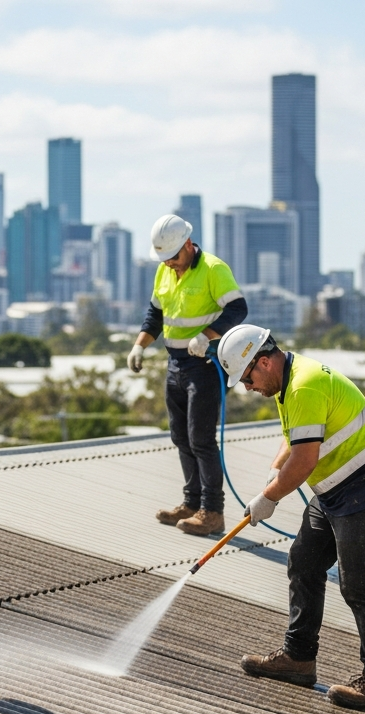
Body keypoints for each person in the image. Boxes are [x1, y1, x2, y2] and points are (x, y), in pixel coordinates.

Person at [221, 324, 365, 712]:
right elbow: (295, 442)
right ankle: (299, 658)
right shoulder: (288, 380)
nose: (247, 387)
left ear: (262, 361)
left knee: (358, 585)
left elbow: (305, 461)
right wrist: (278, 470)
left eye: (247, 378)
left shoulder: (303, 385)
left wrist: (268, 498)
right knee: (303, 563)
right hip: (335, 490)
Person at [127, 214, 247, 536]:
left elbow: (237, 309)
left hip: (205, 366)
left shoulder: (213, 269)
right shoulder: (164, 271)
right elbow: (155, 313)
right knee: (181, 437)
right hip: (175, 365)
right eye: (164, 259)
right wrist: (140, 346)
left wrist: (207, 335)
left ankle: (212, 512)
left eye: (174, 257)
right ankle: (191, 503)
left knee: (201, 440)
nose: (170, 264)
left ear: (189, 245)